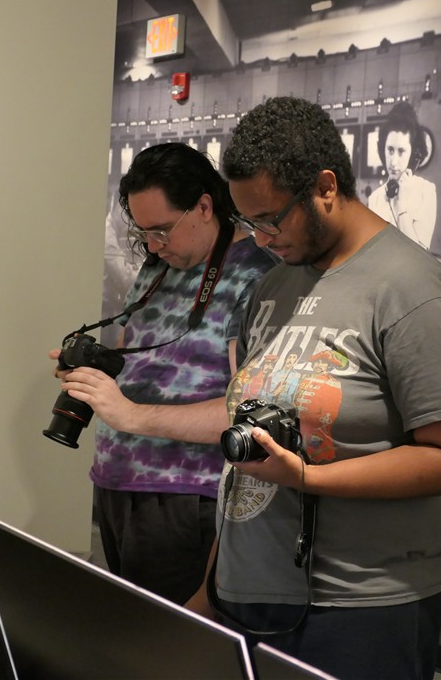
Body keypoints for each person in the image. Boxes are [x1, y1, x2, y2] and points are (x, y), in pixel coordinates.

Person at [185, 97, 441, 680]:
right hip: (248, 595)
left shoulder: (409, 288)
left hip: (359, 608)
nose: (259, 240)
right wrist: (212, 584)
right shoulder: (274, 285)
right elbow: (244, 462)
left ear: (325, 188)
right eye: (248, 223)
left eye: (270, 220)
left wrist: (310, 478)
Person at [53, 142, 275, 605]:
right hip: (118, 485)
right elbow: (134, 356)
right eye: (143, 233)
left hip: (185, 497)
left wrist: (131, 415)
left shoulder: (255, 276)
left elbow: (249, 414)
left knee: (171, 640)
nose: (153, 246)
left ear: (204, 206)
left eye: (162, 230)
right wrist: (92, 374)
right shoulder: (160, 266)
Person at [367, 101, 438, 250]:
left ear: (414, 154)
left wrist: (401, 205)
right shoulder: (375, 199)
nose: (393, 161)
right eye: (390, 150)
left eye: (401, 151)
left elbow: (417, 255)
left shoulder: (426, 192)